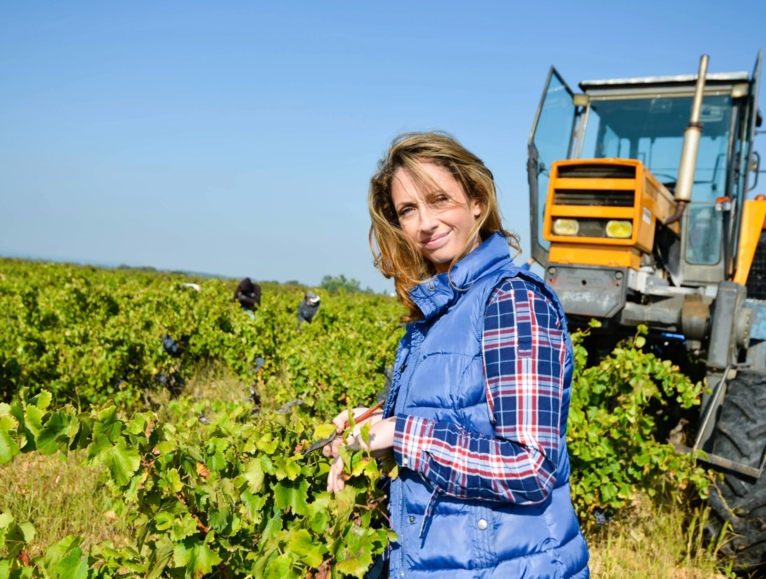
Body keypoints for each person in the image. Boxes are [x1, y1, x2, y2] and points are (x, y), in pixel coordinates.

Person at [323, 132, 589, 578]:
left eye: (439, 199)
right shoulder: (441, 308)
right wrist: (371, 428)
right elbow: (451, 425)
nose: (425, 223)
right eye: (408, 210)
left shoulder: (510, 301)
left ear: (477, 202)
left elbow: (531, 466)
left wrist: (400, 434)